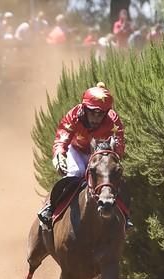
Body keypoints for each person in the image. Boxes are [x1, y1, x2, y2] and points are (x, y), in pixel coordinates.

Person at [38, 82, 132, 230]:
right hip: (76, 151)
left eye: (100, 113)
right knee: (76, 172)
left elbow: (119, 141)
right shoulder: (74, 115)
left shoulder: (113, 120)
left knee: (111, 177)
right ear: (84, 108)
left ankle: (125, 216)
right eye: (92, 112)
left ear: (107, 112)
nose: (96, 117)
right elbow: (62, 136)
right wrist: (59, 155)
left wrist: (115, 157)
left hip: (100, 153)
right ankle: (50, 208)